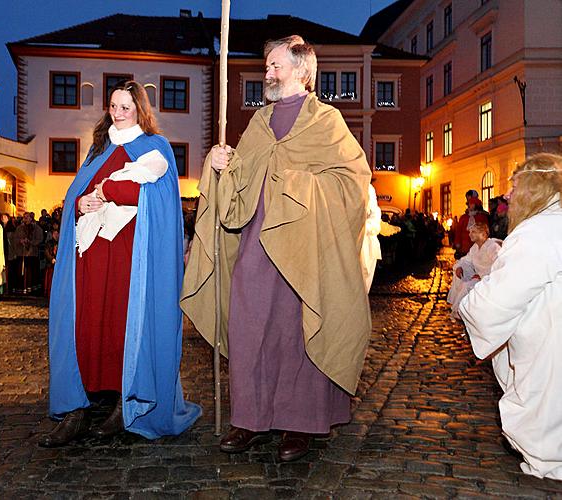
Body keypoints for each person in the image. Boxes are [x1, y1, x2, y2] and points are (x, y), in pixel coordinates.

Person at [181, 35, 371, 462]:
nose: (267, 72)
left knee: (295, 334)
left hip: (304, 251)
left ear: (302, 72)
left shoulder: (326, 122)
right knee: (249, 329)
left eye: (275, 66)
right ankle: (248, 418)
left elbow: (354, 183)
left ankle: (298, 424)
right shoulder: (259, 124)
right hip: (256, 247)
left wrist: (302, 185)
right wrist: (218, 169)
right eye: (266, 66)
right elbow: (237, 187)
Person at [41, 80, 200, 447]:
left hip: (132, 258)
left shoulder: (154, 146)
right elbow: (76, 194)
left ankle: (123, 403)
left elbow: (157, 196)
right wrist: (80, 204)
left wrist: (110, 191)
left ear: (140, 109)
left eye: (126, 106)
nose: (119, 112)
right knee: (87, 324)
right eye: (114, 105)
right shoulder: (99, 148)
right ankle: (76, 408)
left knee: (121, 326)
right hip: (91, 257)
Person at [459, 153, 562, 480]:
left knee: (546, 401)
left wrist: (469, 306)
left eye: (516, 187)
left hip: (550, 338)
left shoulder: (538, 232)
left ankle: (549, 459)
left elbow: (501, 297)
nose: (508, 196)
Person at [446, 222, 500, 319]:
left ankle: (462, 311)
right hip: (480, 278)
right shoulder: (475, 247)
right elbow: (467, 259)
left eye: (474, 232)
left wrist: (483, 276)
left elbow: (499, 264)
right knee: (463, 280)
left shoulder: (492, 246)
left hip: (490, 280)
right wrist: (460, 267)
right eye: (470, 232)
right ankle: (462, 312)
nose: (470, 234)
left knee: (468, 286)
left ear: (483, 234)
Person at [361, 183, 382, 292]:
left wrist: (363, 227)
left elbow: (375, 219)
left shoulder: (368, 188)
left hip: (366, 246)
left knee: (363, 288)